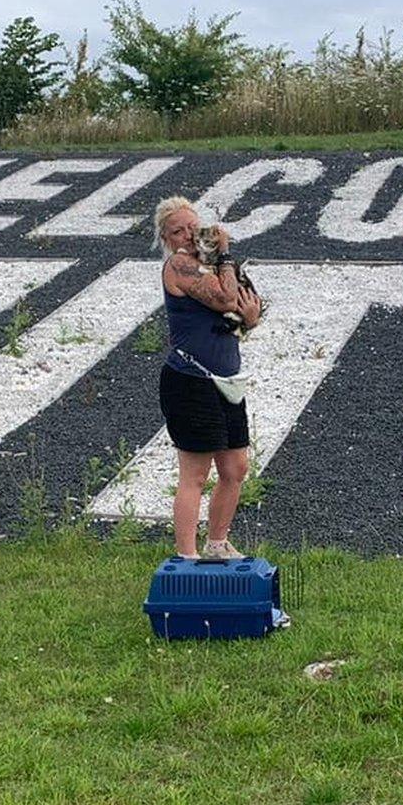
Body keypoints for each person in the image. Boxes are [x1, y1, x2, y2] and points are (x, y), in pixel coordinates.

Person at [151, 196, 262, 559]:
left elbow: (245, 307)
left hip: (227, 376)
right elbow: (228, 298)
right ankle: (187, 555)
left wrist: (251, 318)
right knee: (195, 474)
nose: (185, 236)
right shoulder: (179, 266)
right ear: (166, 239)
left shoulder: (209, 265)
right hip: (191, 379)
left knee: (235, 467)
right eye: (176, 231)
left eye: (191, 228)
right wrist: (226, 253)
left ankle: (217, 542)